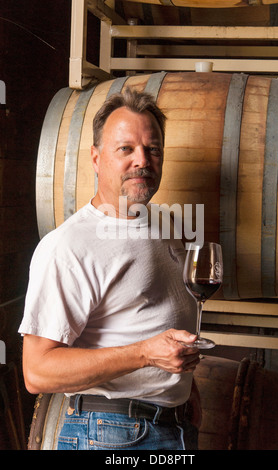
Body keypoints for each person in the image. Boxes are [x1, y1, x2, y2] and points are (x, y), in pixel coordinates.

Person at [19, 87, 201, 450]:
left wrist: (187, 397)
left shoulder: (162, 225)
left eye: (153, 150)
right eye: (126, 149)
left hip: (171, 427)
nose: (142, 160)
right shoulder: (68, 246)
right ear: (96, 158)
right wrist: (146, 353)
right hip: (112, 434)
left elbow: (158, 320)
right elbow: (37, 371)